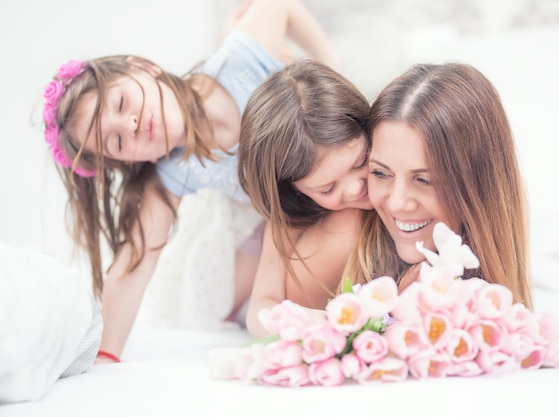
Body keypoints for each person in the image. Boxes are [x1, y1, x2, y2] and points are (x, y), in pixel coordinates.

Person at [41, 0, 339, 363]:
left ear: (144, 67)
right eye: (118, 142)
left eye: (120, 103)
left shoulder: (237, 63)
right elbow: (132, 266)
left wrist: (329, 67)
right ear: (134, 161)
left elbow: (278, 6)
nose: (131, 125)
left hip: (330, 179)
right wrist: (105, 357)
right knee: (245, 303)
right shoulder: (171, 172)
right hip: (288, 219)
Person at [343, 62, 533, 309]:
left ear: (478, 186)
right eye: (380, 173)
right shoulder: (347, 235)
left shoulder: (502, 232)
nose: (397, 202)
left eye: (424, 180)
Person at [237, 59, 372, 337]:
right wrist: (311, 321)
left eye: (361, 162)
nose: (355, 188)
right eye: (328, 189)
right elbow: (260, 308)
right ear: (294, 189)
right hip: (252, 283)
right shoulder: (287, 218)